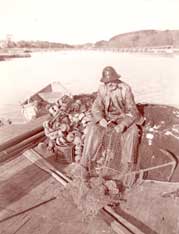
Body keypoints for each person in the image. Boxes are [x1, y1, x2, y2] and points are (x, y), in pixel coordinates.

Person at [79, 66, 143, 178]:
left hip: (123, 117)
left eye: (112, 81)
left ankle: (127, 166)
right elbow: (96, 108)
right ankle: (85, 164)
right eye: (107, 82)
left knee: (133, 132)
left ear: (116, 79)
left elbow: (133, 111)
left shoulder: (125, 89)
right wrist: (101, 119)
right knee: (92, 128)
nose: (110, 84)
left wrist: (123, 125)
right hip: (108, 118)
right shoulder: (102, 89)